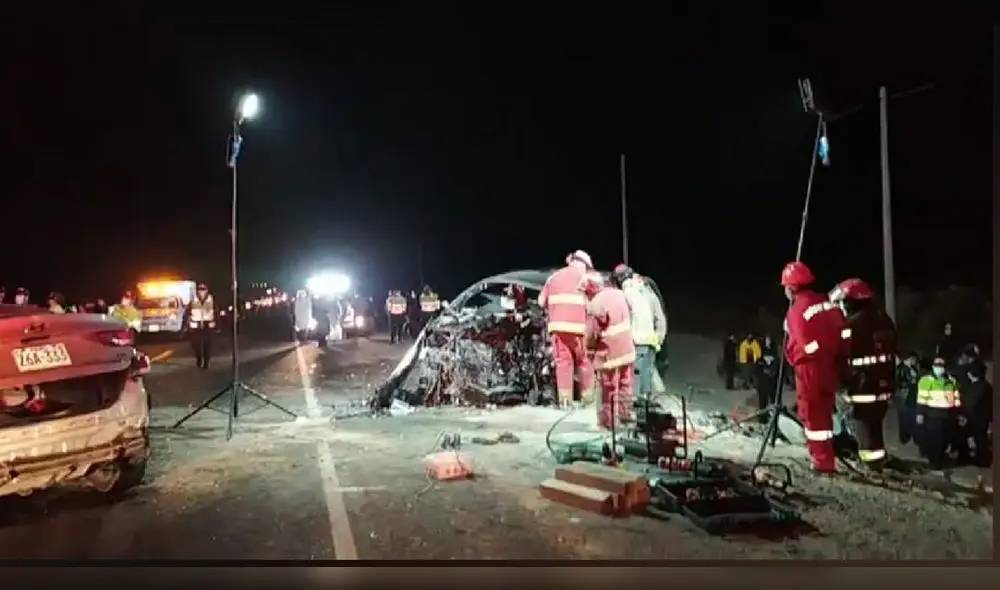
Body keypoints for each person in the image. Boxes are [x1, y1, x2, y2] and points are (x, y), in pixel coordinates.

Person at [780, 261, 849, 474]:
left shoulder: (796, 312)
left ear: (791, 288)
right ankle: (827, 453)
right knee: (825, 413)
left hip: (811, 370)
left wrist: (790, 331)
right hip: (832, 366)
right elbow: (844, 332)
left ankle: (822, 462)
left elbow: (805, 343)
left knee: (812, 414)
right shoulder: (828, 303)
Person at [829, 278, 897, 472]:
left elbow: (841, 353)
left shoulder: (851, 325)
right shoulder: (884, 320)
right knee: (874, 425)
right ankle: (877, 458)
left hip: (861, 385)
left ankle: (868, 463)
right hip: (884, 385)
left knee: (862, 425)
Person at [538, 250, 594, 408]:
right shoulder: (586, 279)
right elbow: (595, 304)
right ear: (581, 264)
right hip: (580, 329)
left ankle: (564, 401)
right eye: (586, 267)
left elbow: (541, 302)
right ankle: (587, 399)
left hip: (558, 329)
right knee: (584, 362)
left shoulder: (553, 277)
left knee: (563, 364)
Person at [583, 272, 635, 430]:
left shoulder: (596, 303)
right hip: (627, 349)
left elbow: (591, 333)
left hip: (609, 353)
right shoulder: (619, 294)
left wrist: (589, 352)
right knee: (625, 384)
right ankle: (625, 416)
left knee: (608, 389)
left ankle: (608, 423)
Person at [611, 264, 666, 400]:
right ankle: (646, 404)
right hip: (651, 341)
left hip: (637, 341)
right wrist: (659, 337)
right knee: (646, 376)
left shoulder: (627, 292)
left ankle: (634, 406)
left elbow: (626, 318)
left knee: (635, 377)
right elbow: (659, 316)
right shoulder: (645, 289)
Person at [914, 357, 962, 470]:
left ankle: (940, 459)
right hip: (932, 415)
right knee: (934, 440)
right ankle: (934, 463)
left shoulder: (951, 380)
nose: (939, 368)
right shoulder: (926, 380)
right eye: (937, 365)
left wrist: (959, 413)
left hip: (947, 415)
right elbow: (921, 399)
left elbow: (956, 398)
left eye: (941, 366)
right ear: (933, 366)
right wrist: (920, 414)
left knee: (944, 440)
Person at [954, 360, 992, 467]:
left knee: (972, 438)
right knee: (980, 439)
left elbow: (969, 403)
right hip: (982, 418)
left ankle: (972, 459)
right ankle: (980, 459)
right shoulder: (986, 386)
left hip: (973, 418)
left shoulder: (974, 388)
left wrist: (963, 415)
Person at [895, 351, 922, 446]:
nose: (915, 361)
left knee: (913, 419)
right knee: (904, 419)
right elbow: (898, 383)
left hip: (913, 397)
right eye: (913, 359)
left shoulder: (914, 368)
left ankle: (914, 437)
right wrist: (911, 382)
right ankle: (904, 438)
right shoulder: (900, 369)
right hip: (904, 397)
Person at [189, 283, 216, 369]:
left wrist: (217, 323)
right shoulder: (193, 299)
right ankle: (199, 359)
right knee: (196, 345)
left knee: (207, 345)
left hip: (208, 325)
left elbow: (216, 311)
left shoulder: (211, 299)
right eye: (200, 289)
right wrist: (188, 323)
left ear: (207, 290)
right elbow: (188, 312)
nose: (201, 291)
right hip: (196, 325)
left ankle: (206, 362)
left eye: (203, 289)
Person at [753, 350, 780, 423]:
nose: (769, 359)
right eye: (767, 357)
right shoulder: (759, 361)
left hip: (773, 386)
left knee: (774, 403)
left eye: (770, 357)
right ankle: (763, 419)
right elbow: (756, 372)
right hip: (762, 386)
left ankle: (774, 419)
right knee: (762, 404)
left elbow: (780, 373)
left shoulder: (777, 361)